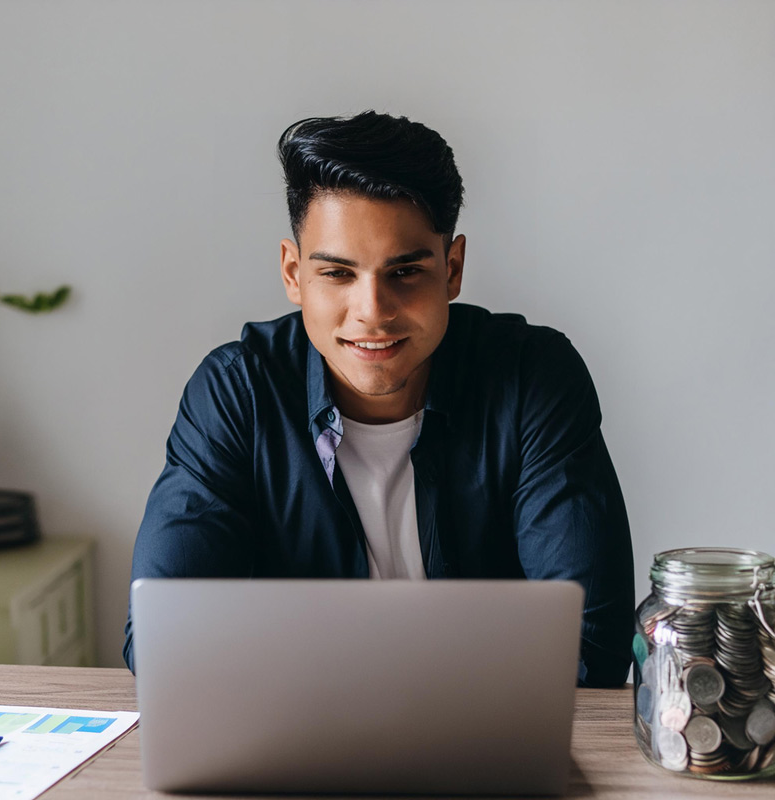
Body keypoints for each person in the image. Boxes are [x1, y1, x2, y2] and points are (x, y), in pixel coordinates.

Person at [123, 111, 634, 685]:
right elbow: (159, 641)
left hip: (489, 757)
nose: (373, 310)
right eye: (338, 274)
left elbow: (591, 645)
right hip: (296, 755)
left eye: (406, 272)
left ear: (453, 268)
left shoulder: (533, 378)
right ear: (294, 274)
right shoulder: (236, 394)